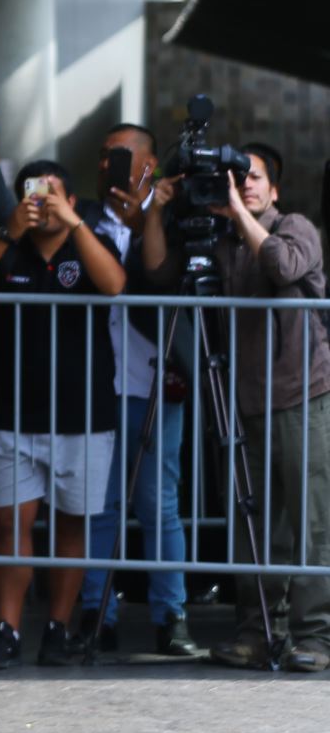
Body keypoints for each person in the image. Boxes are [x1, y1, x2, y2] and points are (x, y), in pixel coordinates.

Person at [144, 142, 330, 671]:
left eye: (253, 177)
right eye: (234, 177)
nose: (242, 184)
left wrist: (244, 216)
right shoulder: (218, 236)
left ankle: (316, 637)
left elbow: (282, 264)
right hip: (244, 397)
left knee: (311, 521)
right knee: (255, 523)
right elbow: (159, 272)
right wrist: (159, 210)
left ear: (274, 189)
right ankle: (257, 629)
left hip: (302, 393)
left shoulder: (295, 227)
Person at [0, 160, 126, 670]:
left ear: (72, 202)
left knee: (73, 527)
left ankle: (57, 627)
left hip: (86, 413)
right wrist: (8, 232)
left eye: (55, 194)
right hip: (17, 413)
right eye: (35, 193)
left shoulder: (88, 242)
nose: (44, 203)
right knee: (10, 524)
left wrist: (74, 226)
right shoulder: (8, 247)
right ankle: (6, 630)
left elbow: (114, 285)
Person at [76, 123, 198, 657]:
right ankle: (95, 612)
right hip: (97, 386)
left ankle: (170, 616)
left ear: (150, 164)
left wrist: (151, 216)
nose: (110, 166)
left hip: (155, 381)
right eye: (104, 157)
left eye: (121, 156)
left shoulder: (172, 217)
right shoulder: (82, 220)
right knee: (97, 507)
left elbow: (158, 279)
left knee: (158, 505)